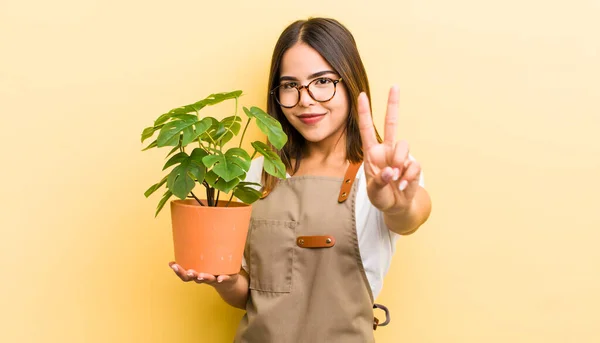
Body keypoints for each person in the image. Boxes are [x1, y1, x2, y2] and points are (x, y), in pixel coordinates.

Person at [169, 17, 432, 342]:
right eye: (290, 85)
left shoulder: (383, 174)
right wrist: (224, 281)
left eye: (322, 81)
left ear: (350, 81)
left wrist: (397, 203)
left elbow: (412, 214)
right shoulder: (256, 172)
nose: (305, 99)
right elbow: (251, 295)